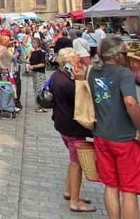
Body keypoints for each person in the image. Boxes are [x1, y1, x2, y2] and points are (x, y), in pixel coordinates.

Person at [89, 36, 140, 219]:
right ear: (115, 55)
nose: (126, 56)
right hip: (124, 138)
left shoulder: (92, 72)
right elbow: (130, 102)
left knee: (111, 185)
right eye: (124, 52)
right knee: (129, 190)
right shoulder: (124, 74)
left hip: (102, 135)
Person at [50, 48, 96, 213]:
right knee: (78, 164)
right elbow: (82, 100)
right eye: (77, 61)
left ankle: (69, 190)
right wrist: (81, 81)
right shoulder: (68, 83)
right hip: (73, 127)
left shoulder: (57, 76)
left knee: (73, 160)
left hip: (63, 125)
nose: (81, 63)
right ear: (68, 63)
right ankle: (75, 201)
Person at [27, 40, 47, 113]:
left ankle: (42, 106)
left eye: (34, 42)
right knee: (35, 89)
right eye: (32, 42)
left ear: (38, 44)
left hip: (40, 73)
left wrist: (34, 66)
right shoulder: (33, 52)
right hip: (34, 73)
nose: (32, 44)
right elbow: (31, 61)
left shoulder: (41, 53)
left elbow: (43, 64)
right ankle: (39, 105)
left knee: (39, 89)